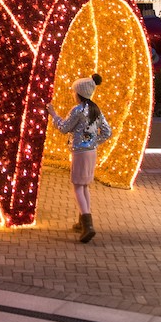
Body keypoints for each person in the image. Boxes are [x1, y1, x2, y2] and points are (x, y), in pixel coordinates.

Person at [46, 73, 111, 243]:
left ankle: (88, 226)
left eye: (74, 92)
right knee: (85, 186)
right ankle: (82, 222)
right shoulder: (96, 110)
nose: (73, 95)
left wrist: (53, 114)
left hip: (79, 152)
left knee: (77, 186)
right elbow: (107, 132)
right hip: (92, 152)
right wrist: (93, 141)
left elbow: (64, 127)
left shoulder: (78, 110)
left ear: (80, 93)